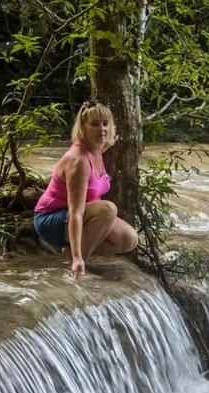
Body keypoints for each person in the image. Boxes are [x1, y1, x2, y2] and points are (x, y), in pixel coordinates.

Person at [34, 101, 138, 279]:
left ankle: (68, 255)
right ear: (83, 127)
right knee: (108, 209)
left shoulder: (97, 149)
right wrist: (77, 257)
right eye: (95, 124)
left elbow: (106, 141)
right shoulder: (79, 161)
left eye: (105, 124)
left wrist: (109, 142)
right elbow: (75, 213)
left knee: (129, 239)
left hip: (74, 215)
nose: (102, 129)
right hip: (52, 219)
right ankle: (77, 263)